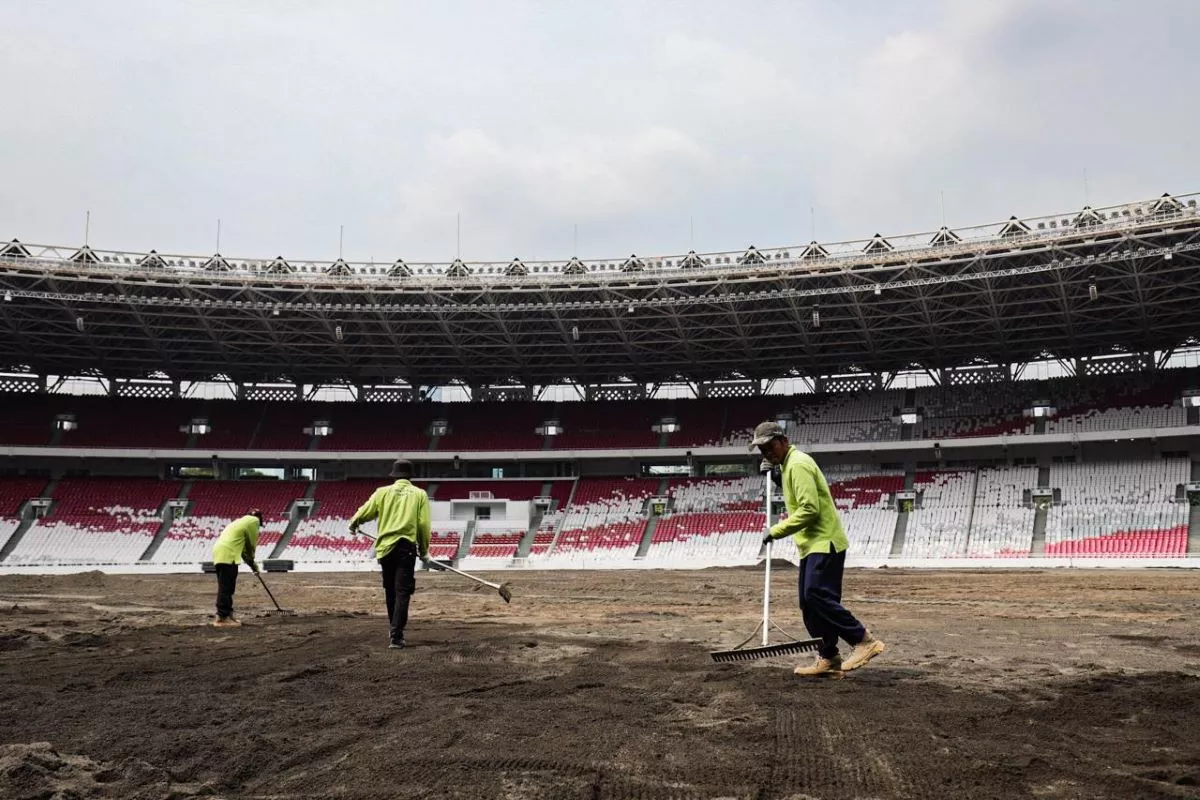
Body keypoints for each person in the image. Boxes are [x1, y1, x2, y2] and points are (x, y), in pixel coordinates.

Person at [751, 421, 885, 678]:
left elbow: (809, 509)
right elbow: (796, 491)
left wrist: (776, 531)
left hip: (825, 542)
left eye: (770, 446)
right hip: (812, 545)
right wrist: (777, 476)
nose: (766, 452)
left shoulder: (798, 464)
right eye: (762, 450)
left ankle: (863, 640)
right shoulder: (789, 466)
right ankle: (828, 657)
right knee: (809, 604)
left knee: (816, 595)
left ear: (784, 441)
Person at [349, 459, 432, 649]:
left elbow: (365, 511)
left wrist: (353, 523)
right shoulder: (419, 494)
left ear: (394, 476)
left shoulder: (382, 492)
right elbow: (423, 524)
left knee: (390, 590)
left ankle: (394, 629)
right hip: (405, 548)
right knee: (403, 591)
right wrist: (424, 550)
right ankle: (396, 634)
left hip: (385, 549)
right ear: (410, 476)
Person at [211, 509, 263, 627]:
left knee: (227, 586)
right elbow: (250, 547)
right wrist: (254, 566)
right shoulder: (254, 521)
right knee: (226, 587)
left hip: (219, 552)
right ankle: (222, 618)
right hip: (229, 554)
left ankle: (228, 614)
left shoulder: (238, 522)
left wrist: (253, 566)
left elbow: (243, 551)